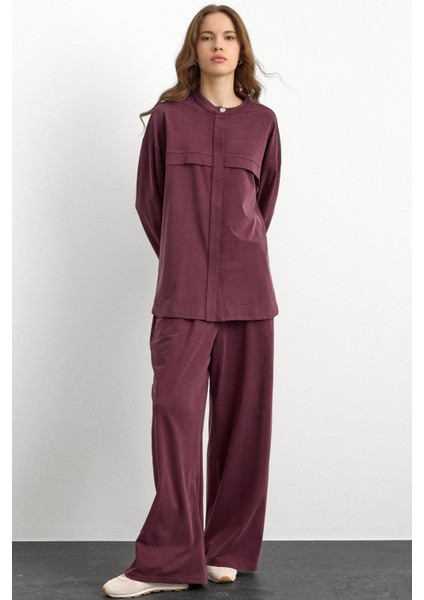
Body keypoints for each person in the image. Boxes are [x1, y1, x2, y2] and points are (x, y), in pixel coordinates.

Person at [102, 4, 282, 598]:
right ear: (194, 49)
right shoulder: (168, 119)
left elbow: (262, 207)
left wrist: (231, 257)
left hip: (249, 295)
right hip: (181, 296)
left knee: (243, 426)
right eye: (207, 37)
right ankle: (168, 561)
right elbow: (149, 201)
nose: (218, 45)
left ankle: (224, 549)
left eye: (228, 36)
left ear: (241, 49)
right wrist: (185, 256)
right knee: (174, 418)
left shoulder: (264, 123)